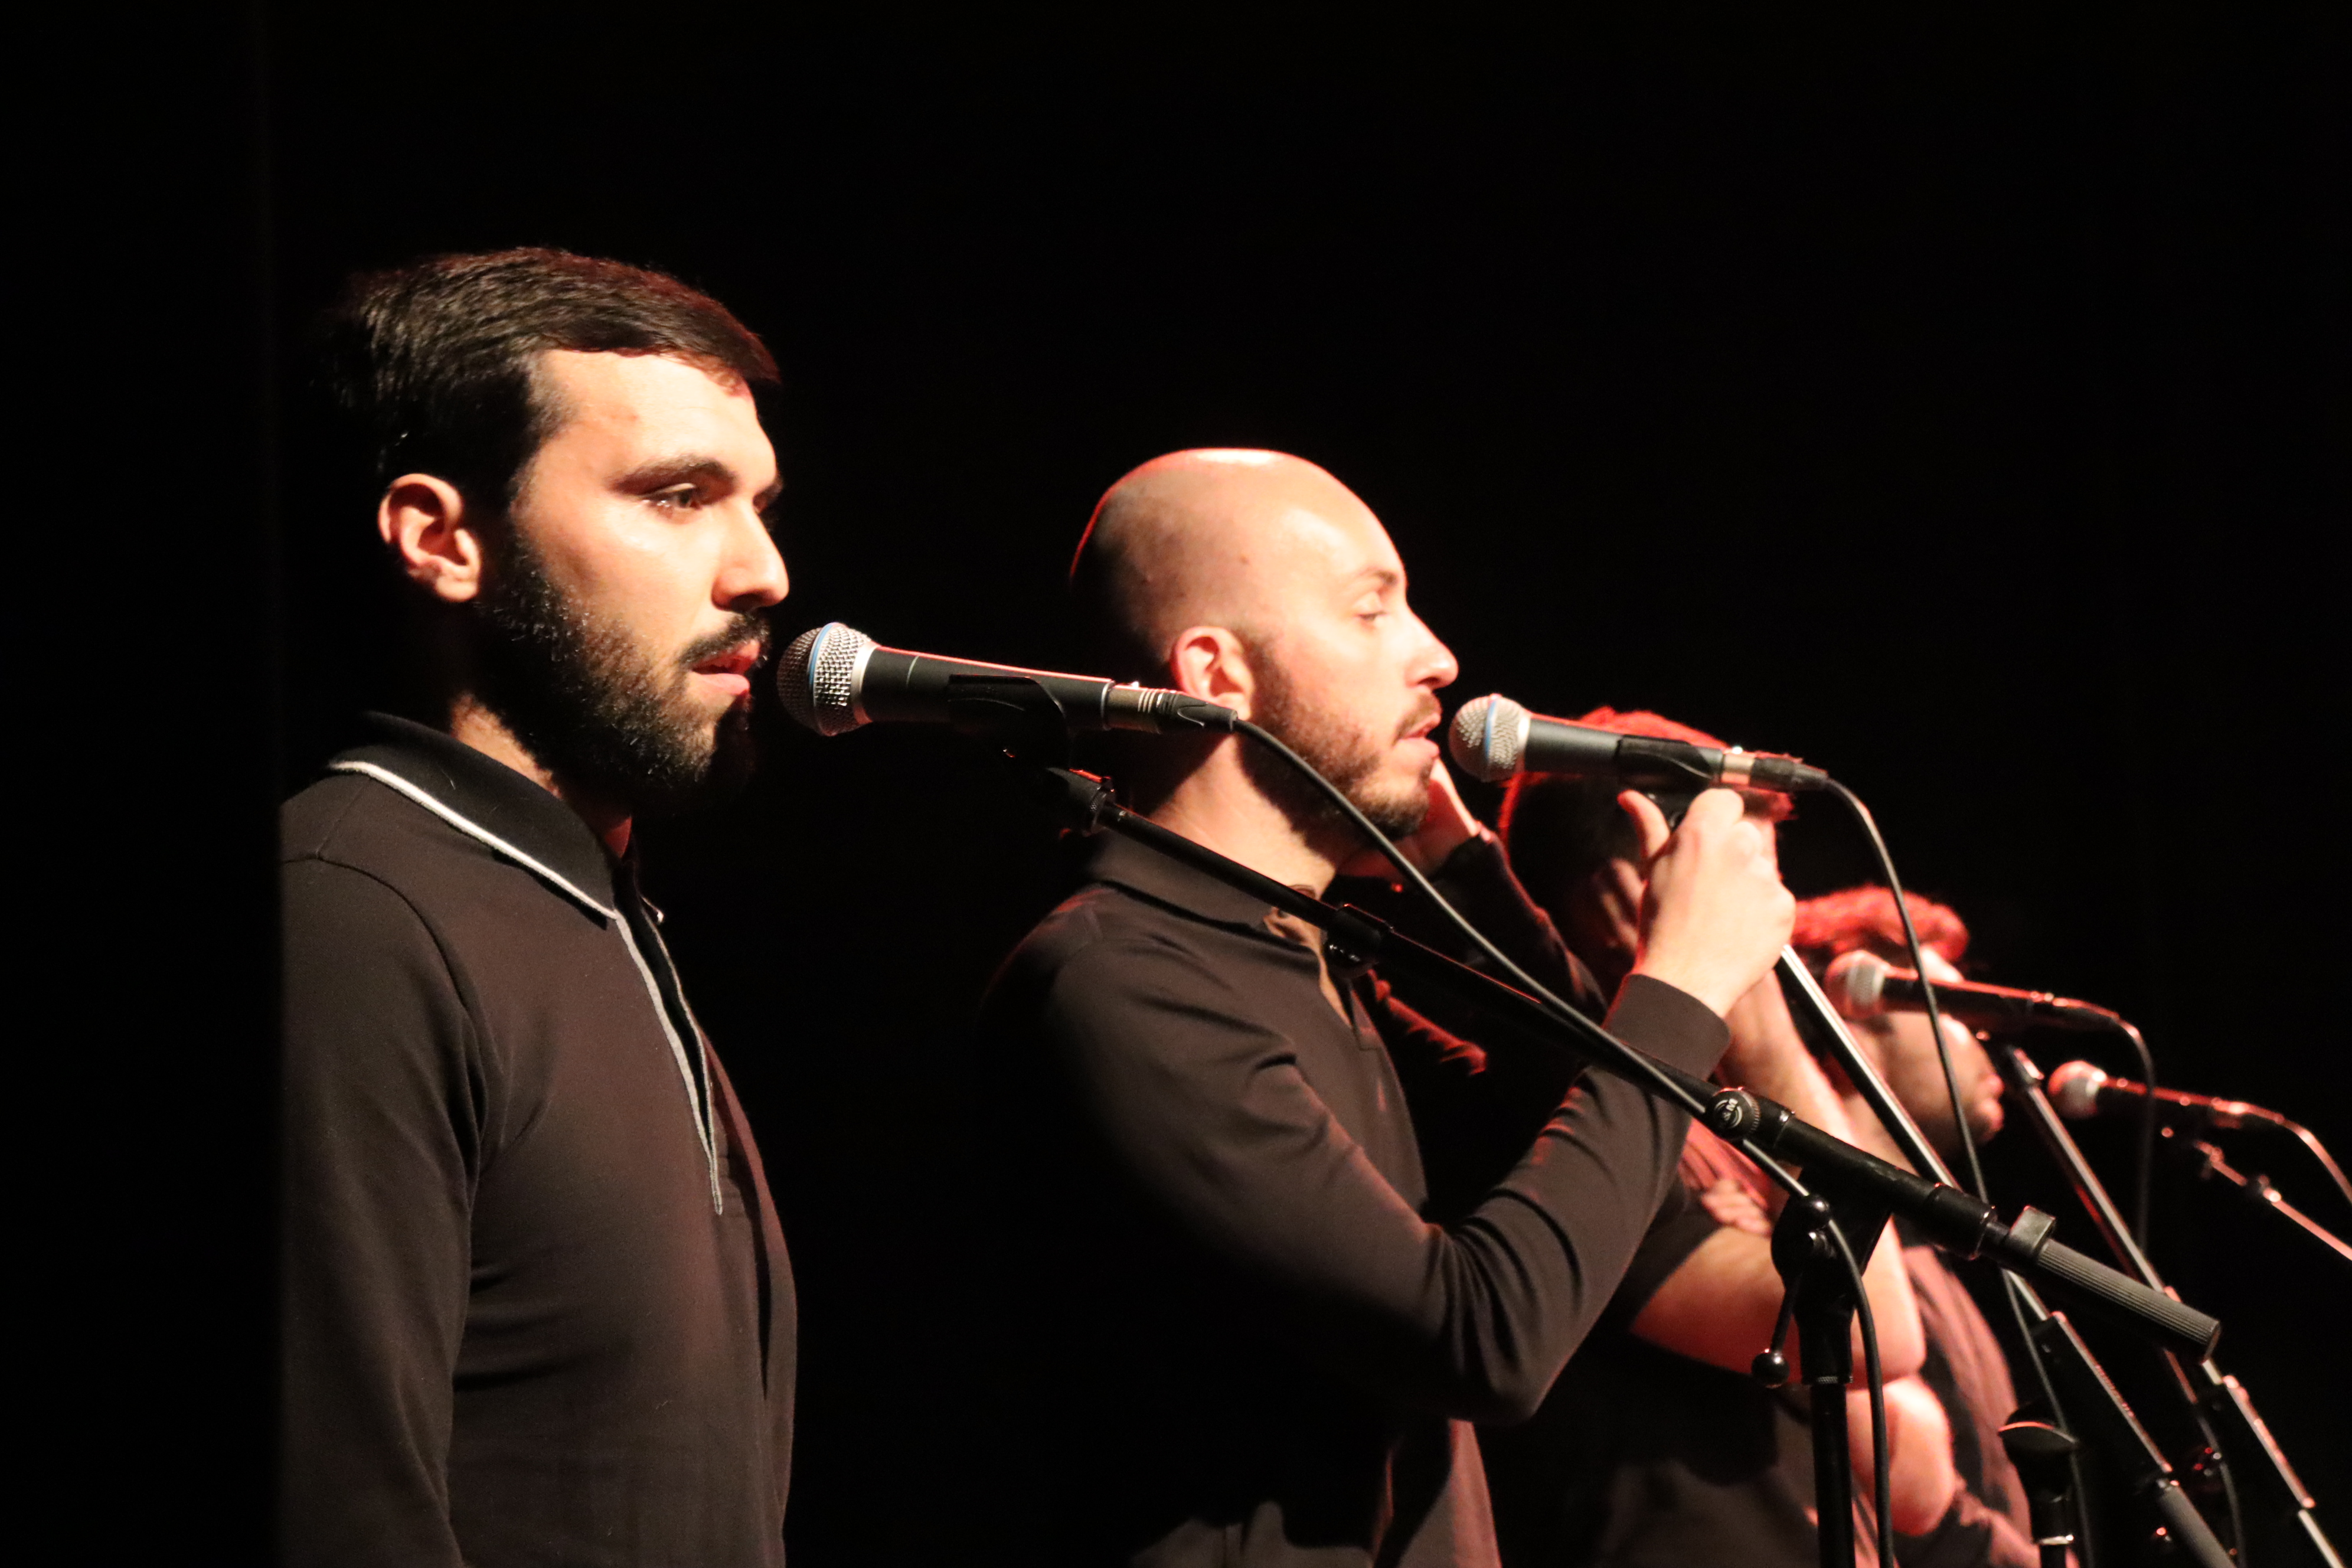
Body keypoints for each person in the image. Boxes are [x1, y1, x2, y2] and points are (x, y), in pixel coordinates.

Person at [971, 449, 1792, 1566]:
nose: (1438, 656)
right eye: (1373, 611)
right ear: (1217, 672)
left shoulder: (1302, 955)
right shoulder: (1122, 980)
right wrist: (1681, 982)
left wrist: (1468, 875)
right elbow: (1484, 1339)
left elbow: (1578, 1114)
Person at [280, 249, 797, 1567]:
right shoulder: (350, 914)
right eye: (677, 497)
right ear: (442, 539)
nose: (764, 572)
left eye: (758, 504)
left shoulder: (590, 906)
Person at [1485, 709, 2034, 1568]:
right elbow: (1880, 1335)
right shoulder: (1575, 1114)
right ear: (1632, 887)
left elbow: (1910, 1429)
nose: (1775, 916)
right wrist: (1760, 1024)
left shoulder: (1716, 1119)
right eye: (1749, 874)